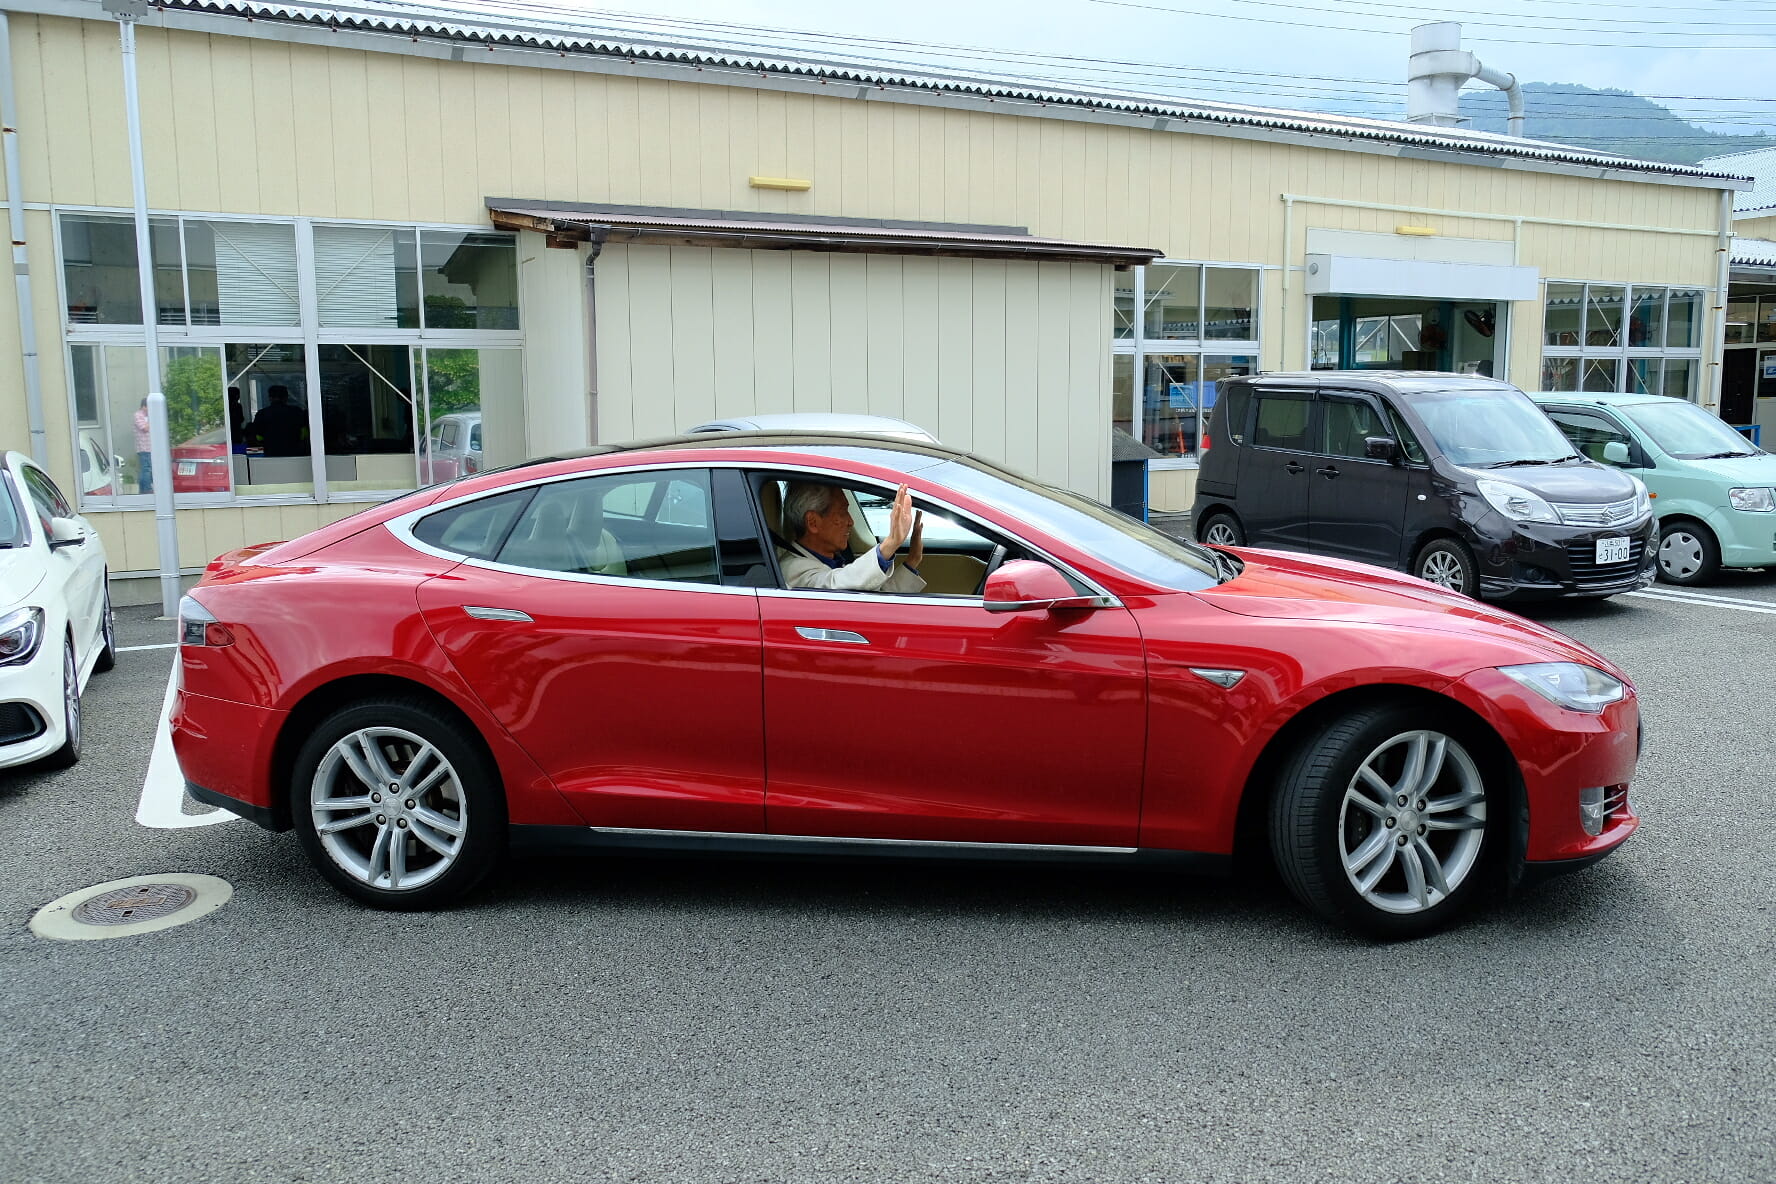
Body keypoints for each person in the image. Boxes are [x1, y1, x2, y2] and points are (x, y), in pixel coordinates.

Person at [778, 481, 926, 593]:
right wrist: (891, 543)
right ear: (813, 522)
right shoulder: (792, 570)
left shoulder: (830, 560)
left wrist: (912, 560)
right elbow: (837, 587)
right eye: (842, 512)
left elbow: (874, 601)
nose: (851, 521)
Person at [250, 385, 308, 457]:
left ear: (270, 398)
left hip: (271, 454)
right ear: (286, 397)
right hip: (294, 454)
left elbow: (258, 437)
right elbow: (304, 435)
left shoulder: (262, 414)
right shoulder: (296, 412)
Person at [133, 398, 153, 494]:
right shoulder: (138, 415)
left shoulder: (148, 416)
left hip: (151, 447)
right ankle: (147, 489)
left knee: (146, 468)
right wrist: (152, 419)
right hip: (144, 447)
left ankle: (142, 490)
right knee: (146, 469)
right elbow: (145, 428)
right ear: (144, 406)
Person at [227, 386, 247, 452]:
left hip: (227, 434)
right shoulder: (237, 406)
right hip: (236, 434)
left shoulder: (226, 406)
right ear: (237, 396)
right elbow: (241, 419)